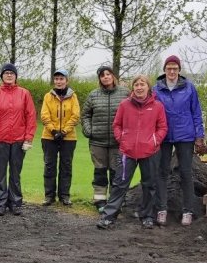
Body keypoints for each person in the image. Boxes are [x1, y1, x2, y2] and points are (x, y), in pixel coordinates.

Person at [97, 75, 167, 230]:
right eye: (136, 85)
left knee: (149, 185)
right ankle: (109, 216)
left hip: (150, 152)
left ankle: (147, 216)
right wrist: (122, 139)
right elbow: (117, 125)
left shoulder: (157, 106)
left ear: (148, 87)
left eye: (142, 84)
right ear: (133, 87)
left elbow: (162, 128)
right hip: (126, 152)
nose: (139, 87)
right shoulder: (124, 105)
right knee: (120, 184)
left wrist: (154, 141)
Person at [153, 55, 205, 226]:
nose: (172, 71)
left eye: (175, 68)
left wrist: (199, 136)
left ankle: (187, 211)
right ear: (164, 70)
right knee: (162, 172)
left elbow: (196, 113)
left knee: (185, 172)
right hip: (164, 136)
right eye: (169, 68)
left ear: (179, 70)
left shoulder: (189, 88)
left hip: (185, 136)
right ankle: (161, 209)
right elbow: (151, 113)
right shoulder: (156, 89)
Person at [0, 63, 37, 216]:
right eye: (6, 73)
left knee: (15, 173)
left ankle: (15, 202)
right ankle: (0, 202)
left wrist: (28, 138)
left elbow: (30, 116)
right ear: (1, 76)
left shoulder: (24, 93)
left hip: (19, 140)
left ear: (15, 76)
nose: (9, 75)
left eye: (11, 73)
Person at [81, 65, 129, 211]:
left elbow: (132, 113)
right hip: (98, 142)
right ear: (100, 79)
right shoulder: (93, 95)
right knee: (100, 172)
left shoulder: (125, 93)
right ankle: (100, 201)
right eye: (102, 75)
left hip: (117, 142)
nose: (106, 77)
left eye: (108, 74)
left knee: (116, 173)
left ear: (113, 76)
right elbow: (85, 115)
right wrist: (89, 130)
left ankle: (115, 202)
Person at [40, 69, 80, 206]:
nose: (59, 81)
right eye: (56, 79)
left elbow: (75, 116)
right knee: (49, 166)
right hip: (49, 137)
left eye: (61, 79)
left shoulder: (73, 96)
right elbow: (44, 115)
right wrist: (53, 131)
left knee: (66, 166)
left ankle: (64, 196)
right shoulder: (47, 96)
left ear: (66, 80)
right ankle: (49, 196)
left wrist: (63, 132)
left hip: (68, 137)